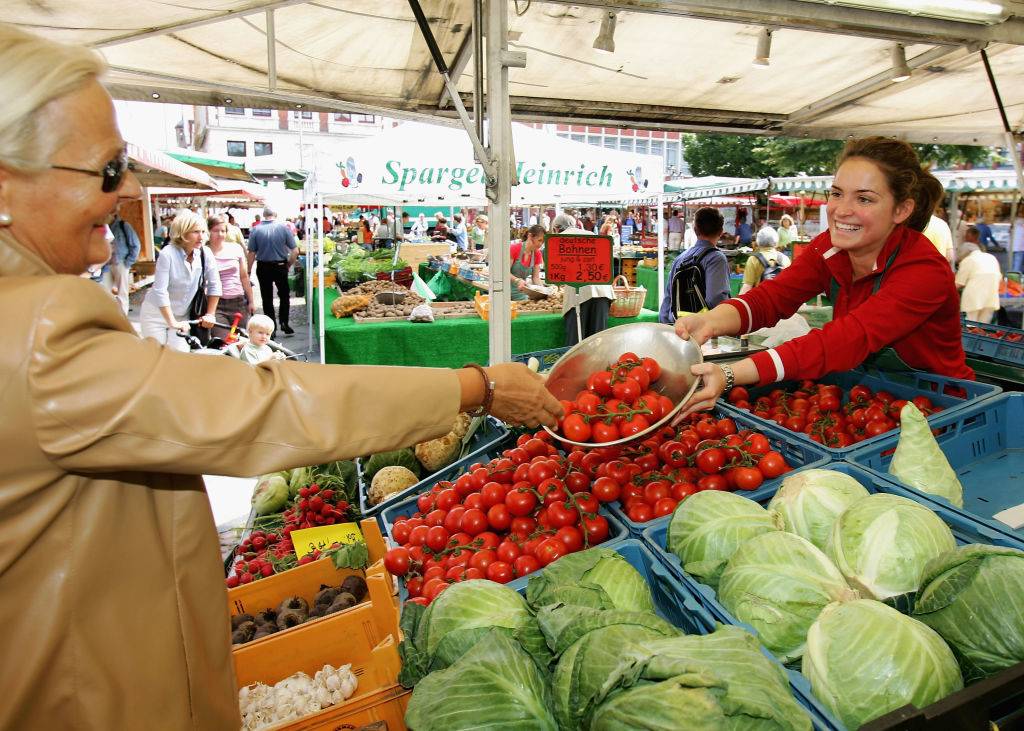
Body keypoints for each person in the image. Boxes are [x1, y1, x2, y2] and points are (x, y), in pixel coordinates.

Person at [0, 24, 564, 730]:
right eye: (110, 169)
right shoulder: (37, 328)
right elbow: (260, 407)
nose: (133, 189)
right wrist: (473, 387)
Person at [676, 137, 972, 417]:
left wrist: (731, 374)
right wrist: (710, 321)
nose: (842, 210)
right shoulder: (830, 247)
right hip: (869, 401)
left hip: (939, 406)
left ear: (901, 209)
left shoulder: (924, 271)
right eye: (837, 193)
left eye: (865, 199)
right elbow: (773, 297)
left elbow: (844, 340)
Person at [140, 210, 221, 351]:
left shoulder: (205, 253)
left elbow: (215, 284)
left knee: (181, 354)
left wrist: (210, 314)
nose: (201, 236)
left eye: (203, 231)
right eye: (195, 232)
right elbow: (160, 291)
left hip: (183, 315)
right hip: (156, 314)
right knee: (155, 355)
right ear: (182, 233)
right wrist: (171, 322)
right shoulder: (168, 253)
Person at [659, 206, 730, 324]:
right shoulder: (716, 258)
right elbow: (716, 299)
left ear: (695, 229)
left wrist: (666, 325)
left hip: (679, 327)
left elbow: (668, 298)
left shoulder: (680, 258)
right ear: (721, 231)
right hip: (704, 330)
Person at [246, 205, 298, 335]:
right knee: (284, 295)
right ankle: (284, 322)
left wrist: (248, 270)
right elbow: (295, 251)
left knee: (266, 297)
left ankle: (271, 328)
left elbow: (251, 252)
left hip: (263, 266)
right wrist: (289, 264)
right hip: (280, 266)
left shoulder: (255, 230)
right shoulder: (284, 229)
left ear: (264, 215)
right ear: (275, 215)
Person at [208, 214, 256, 337]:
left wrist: (251, 301)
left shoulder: (235, 249)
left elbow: (244, 277)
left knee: (241, 341)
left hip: (238, 302)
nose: (220, 234)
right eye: (215, 231)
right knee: (223, 340)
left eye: (223, 231)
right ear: (208, 231)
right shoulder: (204, 252)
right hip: (216, 304)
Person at [956, 226, 1001, 324]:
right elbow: (999, 278)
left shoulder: (968, 260)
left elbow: (958, 284)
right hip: (991, 298)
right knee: (984, 328)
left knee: (971, 327)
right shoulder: (991, 257)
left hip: (974, 299)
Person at [104, 206, 140, 314]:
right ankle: (110, 318)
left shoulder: (123, 225)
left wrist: (127, 263)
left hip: (121, 263)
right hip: (106, 264)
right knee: (105, 292)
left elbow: (135, 245)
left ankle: (123, 318)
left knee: (122, 293)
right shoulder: (103, 227)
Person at [740, 226, 791, 295]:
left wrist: (737, 303)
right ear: (776, 241)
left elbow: (747, 287)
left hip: (761, 302)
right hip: (781, 302)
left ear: (758, 242)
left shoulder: (753, 259)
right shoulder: (785, 259)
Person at [509, 224, 546, 301]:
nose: (540, 244)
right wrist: (517, 280)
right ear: (530, 236)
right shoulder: (514, 248)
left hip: (521, 292)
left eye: (542, 242)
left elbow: (535, 278)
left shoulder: (537, 254)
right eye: (539, 240)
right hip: (505, 291)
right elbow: (504, 272)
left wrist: (543, 291)